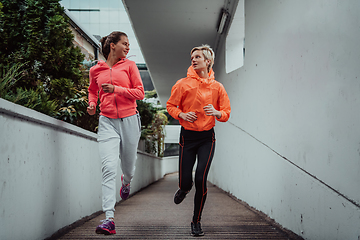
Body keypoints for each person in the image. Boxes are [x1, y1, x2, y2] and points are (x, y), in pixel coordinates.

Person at [166, 44, 231, 237]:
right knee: (186, 180)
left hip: (206, 138)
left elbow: (226, 113)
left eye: (198, 57)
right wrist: (182, 115)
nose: (193, 60)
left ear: (208, 61)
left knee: (201, 179)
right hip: (188, 137)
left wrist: (217, 112)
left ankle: (196, 221)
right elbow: (170, 105)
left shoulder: (218, 87)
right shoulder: (182, 84)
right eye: (192, 57)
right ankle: (184, 189)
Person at [87, 31, 144, 235]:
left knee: (127, 168)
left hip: (129, 119)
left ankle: (126, 182)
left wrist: (116, 89)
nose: (128, 48)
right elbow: (93, 90)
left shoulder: (129, 66)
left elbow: (140, 93)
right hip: (107, 121)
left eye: (129, 44)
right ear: (112, 45)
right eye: (125, 43)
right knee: (109, 167)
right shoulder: (95, 70)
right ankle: (109, 218)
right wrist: (93, 104)